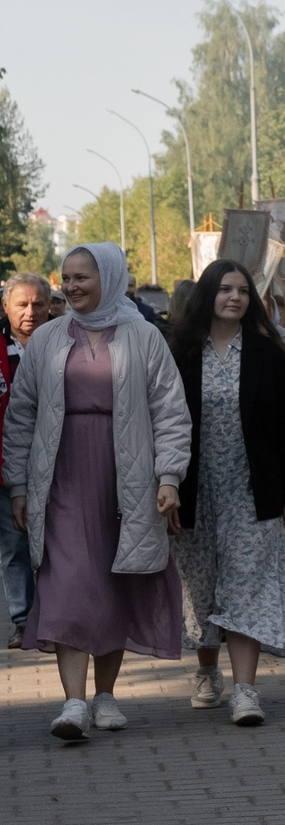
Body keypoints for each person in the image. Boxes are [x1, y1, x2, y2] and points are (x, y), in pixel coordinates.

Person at [3, 245, 189, 740]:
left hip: (125, 476)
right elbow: (21, 415)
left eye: (82, 276)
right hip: (59, 475)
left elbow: (171, 411)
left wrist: (168, 477)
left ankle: (105, 695)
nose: (72, 285)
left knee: (112, 582)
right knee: (68, 584)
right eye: (66, 277)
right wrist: (19, 484)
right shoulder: (45, 339)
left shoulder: (144, 336)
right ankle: (72, 703)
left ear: (108, 277)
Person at [171, 259, 285, 726]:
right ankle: (207, 672)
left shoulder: (266, 354)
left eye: (243, 291)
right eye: (225, 289)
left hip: (252, 492)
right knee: (201, 585)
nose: (234, 297)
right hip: (195, 490)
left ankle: (246, 691)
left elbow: (283, 432)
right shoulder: (183, 353)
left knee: (247, 586)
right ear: (208, 295)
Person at [1, 271, 48, 648]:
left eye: (38, 304)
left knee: (56, 543)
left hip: (58, 461)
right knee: (15, 544)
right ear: (6, 307)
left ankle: (55, 617)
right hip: (5, 462)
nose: (30, 312)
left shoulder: (65, 346)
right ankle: (23, 620)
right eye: (22, 304)